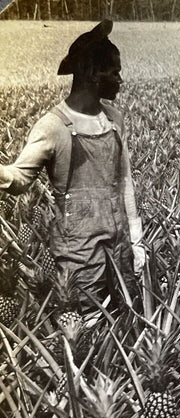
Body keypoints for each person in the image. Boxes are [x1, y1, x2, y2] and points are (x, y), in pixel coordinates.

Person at [0, 20, 145, 310]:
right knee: (88, 320)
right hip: (78, 248)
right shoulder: (53, 126)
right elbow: (18, 180)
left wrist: (136, 239)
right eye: (114, 72)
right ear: (93, 74)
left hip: (119, 244)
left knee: (126, 315)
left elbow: (125, 179)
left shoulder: (114, 119)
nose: (120, 80)